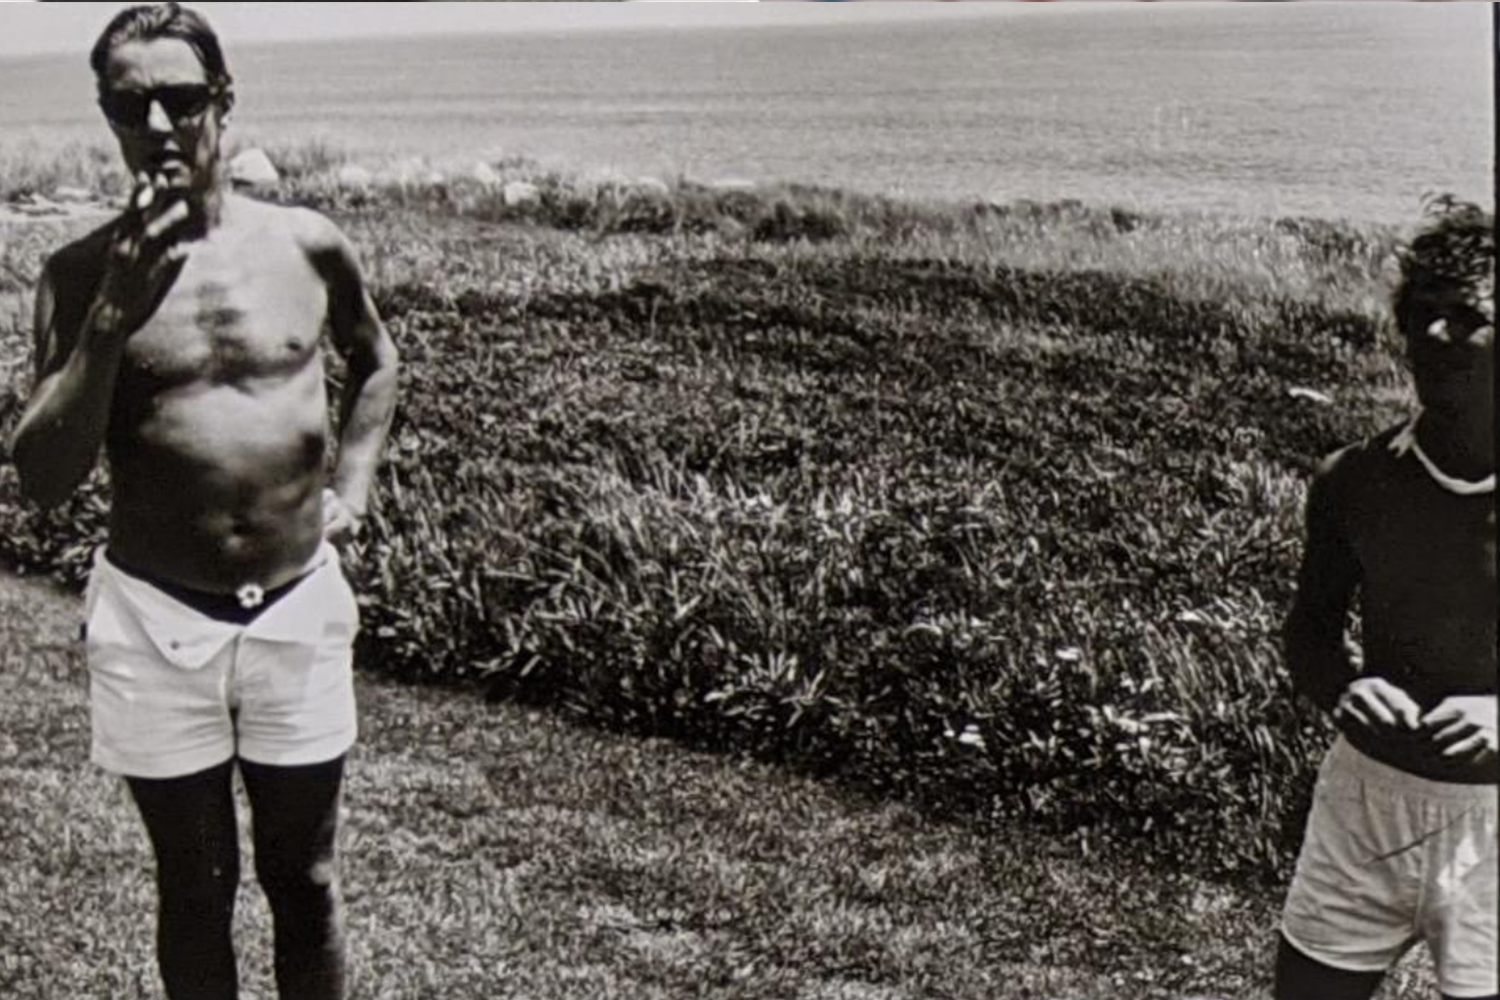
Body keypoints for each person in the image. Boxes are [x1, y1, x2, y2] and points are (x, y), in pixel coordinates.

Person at [8, 5, 399, 999]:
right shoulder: (76, 274)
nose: (158, 124)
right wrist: (109, 320)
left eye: (182, 99)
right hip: (154, 620)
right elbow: (45, 481)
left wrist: (352, 480)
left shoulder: (307, 245)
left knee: (304, 884)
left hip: (298, 608)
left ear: (222, 102)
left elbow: (377, 356)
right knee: (193, 889)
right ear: (107, 114)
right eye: (130, 104)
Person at [1276, 198, 1496, 1000]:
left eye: (1468, 317)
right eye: (1422, 316)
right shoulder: (1355, 481)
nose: (1436, 337)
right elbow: (1309, 638)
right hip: (1365, 802)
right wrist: (1344, 689)